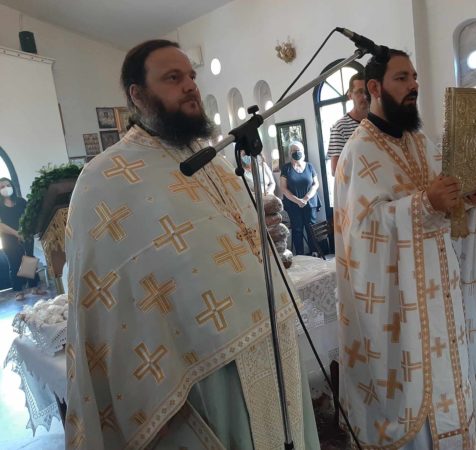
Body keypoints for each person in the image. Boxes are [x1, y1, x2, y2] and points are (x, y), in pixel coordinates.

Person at [65, 39, 318, 449]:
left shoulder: (211, 159)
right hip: (204, 369)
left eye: (191, 76)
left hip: (270, 340)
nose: (189, 86)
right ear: (137, 94)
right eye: (172, 78)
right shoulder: (104, 179)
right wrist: (142, 398)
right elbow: (103, 298)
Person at [334, 50, 476, 449]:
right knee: (413, 390)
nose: (414, 86)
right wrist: (422, 204)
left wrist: (469, 197)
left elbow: (444, 207)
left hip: (441, 293)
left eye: (415, 77)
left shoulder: (422, 142)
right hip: (399, 304)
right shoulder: (358, 151)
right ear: (374, 87)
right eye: (402, 78)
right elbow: (360, 234)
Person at [0, 178, 45, 300]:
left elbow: (29, 217)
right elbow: (1, 225)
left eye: (7, 185)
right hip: (8, 238)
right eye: (2, 187)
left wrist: (25, 232)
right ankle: (19, 291)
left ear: (12, 186)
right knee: (14, 263)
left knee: (29, 260)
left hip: (26, 235)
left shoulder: (20, 201)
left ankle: (34, 287)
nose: (5, 188)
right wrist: (16, 233)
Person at [280, 141, 321, 255]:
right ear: (290, 153)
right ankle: (300, 255)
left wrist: (306, 198)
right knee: (297, 229)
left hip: (310, 202)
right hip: (293, 204)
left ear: (303, 152)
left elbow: (316, 184)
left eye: (299, 150)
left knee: (311, 228)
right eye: (294, 150)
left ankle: (315, 253)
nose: (296, 152)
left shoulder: (310, 166)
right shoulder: (286, 168)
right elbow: (283, 188)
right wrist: (298, 201)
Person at [327, 72, 369, 175]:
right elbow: (335, 171)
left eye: (367, 91)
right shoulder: (340, 128)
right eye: (359, 92)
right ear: (350, 95)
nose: (364, 96)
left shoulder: (379, 121)